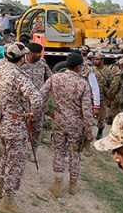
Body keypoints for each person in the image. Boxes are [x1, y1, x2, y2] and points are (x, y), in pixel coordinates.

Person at [0, 43, 43, 213]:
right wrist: (31, 114)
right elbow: (38, 99)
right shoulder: (18, 76)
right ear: (22, 57)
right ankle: (8, 201)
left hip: (2, 122)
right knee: (16, 163)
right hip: (16, 125)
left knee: (4, 156)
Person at [39, 53, 93, 197]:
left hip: (59, 123)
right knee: (74, 153)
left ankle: (57, 185)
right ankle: (73, 185)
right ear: (79, 67)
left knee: (58, 151)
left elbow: (40, 97)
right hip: (76, 125)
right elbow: (87, 111)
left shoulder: (55, 78)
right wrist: (89, 131)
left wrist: (48, 112)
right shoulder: (83, 84)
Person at [20, 42, 52, 158]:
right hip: (23, 103)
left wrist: (45, 95)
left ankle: (34, 151)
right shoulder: (21, 64)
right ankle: (22, 149)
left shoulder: (42, 64)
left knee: (37, 128)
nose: (39, 55)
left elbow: (50, 79)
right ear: (29, 53)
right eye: (36, 53)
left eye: (40, 53)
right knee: (21, 127)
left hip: (38, 103)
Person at [91, 51, 113, 139]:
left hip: (103, 96)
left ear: (102, 60)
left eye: (97, 59)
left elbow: (111, 84)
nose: (95, 61)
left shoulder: (108, 71)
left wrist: (110, 98)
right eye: (94, 59)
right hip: (91, 96)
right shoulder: (91, 69)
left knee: (102, 115)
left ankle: (100, 131)